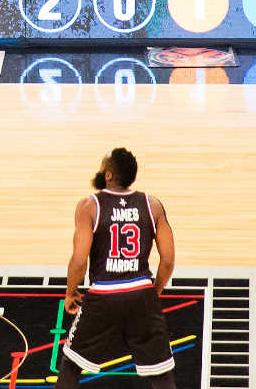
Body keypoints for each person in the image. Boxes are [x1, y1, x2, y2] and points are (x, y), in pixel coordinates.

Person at [55, 147, 176, 389]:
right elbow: (168, 260)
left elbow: (79, 260)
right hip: (141, 294)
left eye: (102, 166)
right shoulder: (152, 205)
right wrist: (153, 292)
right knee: (160, 373)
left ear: (108, 175)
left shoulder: (89, 206)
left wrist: (71, 291)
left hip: (104, 294)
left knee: (71, 364)